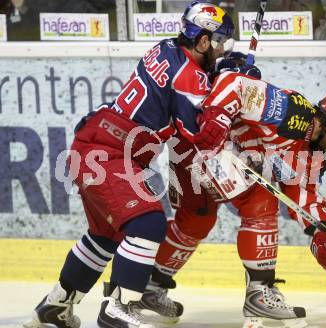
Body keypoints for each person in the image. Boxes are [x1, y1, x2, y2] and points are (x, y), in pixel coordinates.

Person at [23, 2, 234, 328]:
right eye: (219, 41)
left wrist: (217, 73)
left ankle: (56, 306)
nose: (221, 48)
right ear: (203, 41)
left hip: (97, 142)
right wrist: (231, 84)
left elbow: (186, 84)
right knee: (147, 225)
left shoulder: (167, 48)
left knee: (105, 236)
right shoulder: (189, 76)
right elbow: (197, 134)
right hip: (110, 152)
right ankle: (117, 308)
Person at [134, 68, 326, 328]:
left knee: (196, 221)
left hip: (208, 155)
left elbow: (303, 194)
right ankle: (260, 291)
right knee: (260, 198)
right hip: (203, 139)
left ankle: (148, 288)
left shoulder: (316, 155)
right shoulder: (292, 112)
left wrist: (320, 233)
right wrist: (217, 119)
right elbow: (234, 83)